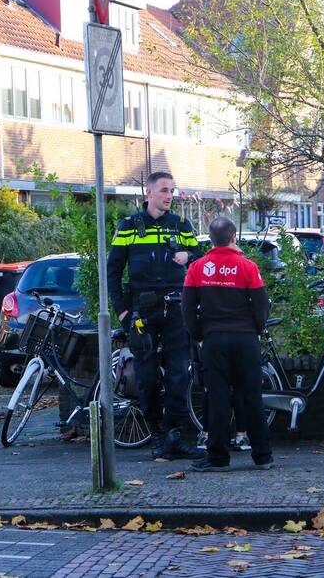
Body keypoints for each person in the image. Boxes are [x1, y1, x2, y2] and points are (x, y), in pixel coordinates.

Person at [106, 171, 201, 460]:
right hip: (141, 312)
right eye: (163, 190)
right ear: (149, 193)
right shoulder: (130, 227)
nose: (169, 195)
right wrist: (122, 311)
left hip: (175, 310)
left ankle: (175, 436)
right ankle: (158, 435)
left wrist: (189, 256)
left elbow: (202, 259)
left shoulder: (180, 225)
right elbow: (113, 270)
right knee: (146, 378)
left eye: (172, 190)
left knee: (178, 376)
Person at [182, 215, 274, 472]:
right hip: (245, 340)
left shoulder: (197, 268)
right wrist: (254, 330)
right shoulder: (248, 267)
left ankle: (218, 458)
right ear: (233, 238)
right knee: (252, 397)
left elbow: (187, 309)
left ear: (211, 240)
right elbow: (261, 306)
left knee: (218, 398)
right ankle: (263, 456)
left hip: (214, 340)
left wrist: (200, 335)